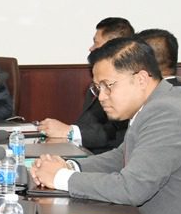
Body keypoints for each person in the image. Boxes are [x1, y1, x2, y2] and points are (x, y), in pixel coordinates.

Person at [30, 37, 181, 214]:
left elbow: (131, 188)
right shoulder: (158, 103)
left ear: (141, 79)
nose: (102, 97)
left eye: (108, 86)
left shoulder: (167, 112)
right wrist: (70, 166)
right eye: (98, 88)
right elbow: (121, 156)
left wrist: (61, 178)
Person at [38, 17, 133, 153]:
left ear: (112, 46)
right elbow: (88, 124)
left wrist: (70, 132)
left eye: (96, 43)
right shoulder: (97, 82)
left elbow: (118, 135)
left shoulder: (127, 83)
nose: (91, 48)